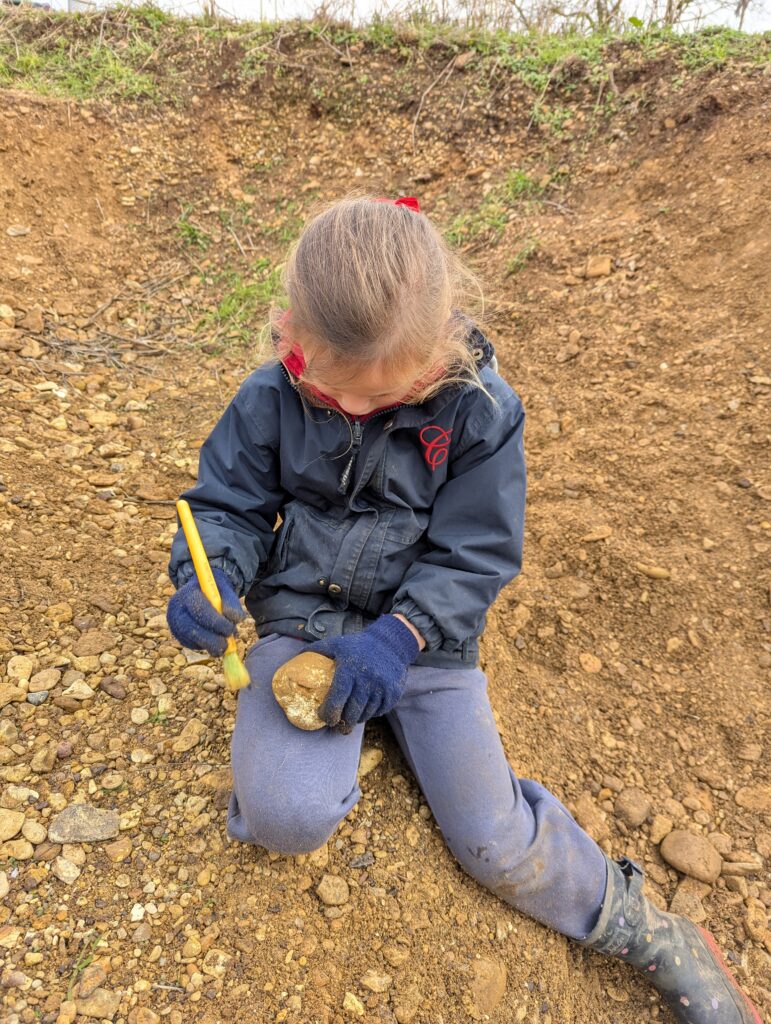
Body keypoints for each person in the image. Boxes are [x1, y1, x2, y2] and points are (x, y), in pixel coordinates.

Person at [166, 193, 761, 1024]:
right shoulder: (267, 395)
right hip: (300, 620)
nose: (360, 413)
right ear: (291, 339)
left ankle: (646, 931)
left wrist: (403, 637)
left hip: (423, 645)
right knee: (285, 816)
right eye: (336, 397)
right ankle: (329, 753)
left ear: (438, 348)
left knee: (492, 843)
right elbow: (223, 506)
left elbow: (475, 552)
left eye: (385, 398)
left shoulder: (481, 410)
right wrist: (212, 577)